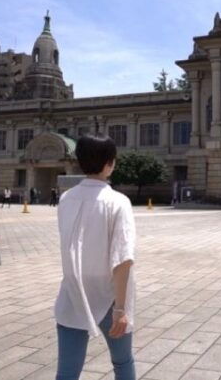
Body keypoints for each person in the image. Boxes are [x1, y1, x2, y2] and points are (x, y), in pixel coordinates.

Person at [55, 135, 136, 380]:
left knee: (67, 372)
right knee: (122, 362)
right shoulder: (118, 202)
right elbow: (122, 258)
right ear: (110, 163)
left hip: (73, 293)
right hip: (111, 295)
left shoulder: (66, 199)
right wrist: (121, 309)